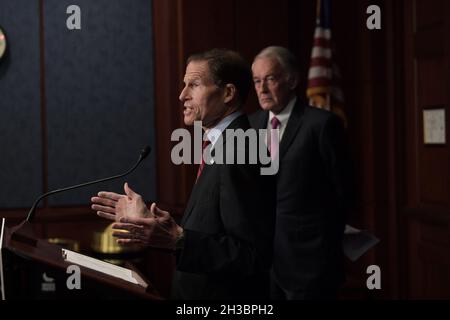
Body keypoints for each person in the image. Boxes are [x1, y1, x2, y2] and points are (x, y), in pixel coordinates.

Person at [91, 49, 276, 300]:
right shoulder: (223, 145)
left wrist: (179, 239)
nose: (182, 95)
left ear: (228, 94)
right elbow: (213, 229)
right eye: (183, 85)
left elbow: (251, 255)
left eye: (194, 85)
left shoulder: (242, 149)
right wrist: (161, 227)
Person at [249, 46, 351, 300]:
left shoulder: (321, 124)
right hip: (263, 266)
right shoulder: (251, 124)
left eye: (270, 79)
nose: (261, 89)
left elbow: (344, 192)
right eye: (256, 81)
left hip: (310, 265)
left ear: (292, 80)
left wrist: (324, 248)